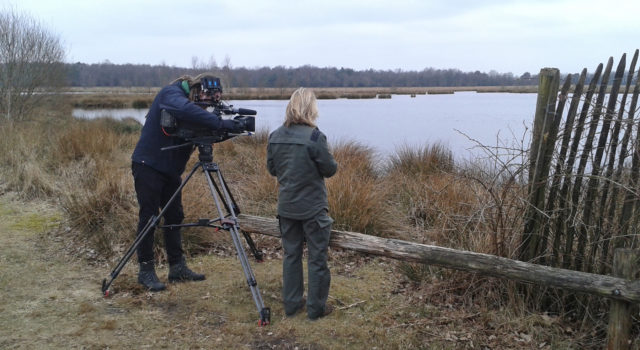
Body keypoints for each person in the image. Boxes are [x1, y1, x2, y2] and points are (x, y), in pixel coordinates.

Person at [131, 73, 238, 291]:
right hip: (148, 165)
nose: (205, 104)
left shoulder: (190, 103)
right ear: (196, 89)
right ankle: (146, 271)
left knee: (175, 216)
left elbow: (200, 126)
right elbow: (186, 110)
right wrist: (219, 122)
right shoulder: (172, 93)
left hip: (170, 171)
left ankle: (177, 268)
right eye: (204, 97)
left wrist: (227, 128)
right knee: (149, 217)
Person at [266, 87, 338, 320]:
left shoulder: (275, 136)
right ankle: (315, 310)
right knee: (317, 258)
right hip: (313, 209)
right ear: (311, 108)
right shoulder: (315, 137)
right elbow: (330, 170)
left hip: (286, 208)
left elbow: (272, 169)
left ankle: (292, 305)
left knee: (291, 256)